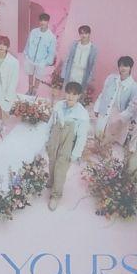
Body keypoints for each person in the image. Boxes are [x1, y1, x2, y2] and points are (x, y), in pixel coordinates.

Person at [44, 81, 90, 210]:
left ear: (79, 96)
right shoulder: (59, 105)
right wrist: (47, 139)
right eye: (68, 93)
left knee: (61, 168)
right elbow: (50, 123)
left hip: (67, 144)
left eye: (74, 94)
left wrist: (75, 153)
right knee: (52, 162)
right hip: (55, 139)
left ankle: (56, 195)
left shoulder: (82, 114)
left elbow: (81, 137)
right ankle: (51, 180)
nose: (70, 97)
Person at [92, 56, 137, 142]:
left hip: (118, 117)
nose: (122, 68)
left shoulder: (135, 87)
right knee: (97, 137)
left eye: (125, 66)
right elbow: (103, 94)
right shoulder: (111, 78)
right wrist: (97, 108)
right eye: (120, 65)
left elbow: (131, 108)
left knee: (108, 142)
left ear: (130, 67)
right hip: (104, 112)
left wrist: (119, 118)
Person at [22, 12, 57, 93]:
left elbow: (51, 52)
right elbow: (28, 43)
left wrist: (46, 62)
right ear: (39, 21)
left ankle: (35, 90)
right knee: (30, 73)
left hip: (41, 61)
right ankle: (30, 88)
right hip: (30, 58)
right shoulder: (33, 32)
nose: (42, 22)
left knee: (38, 76)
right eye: (41, 20)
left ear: (48, 22)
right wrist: (26, 53)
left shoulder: (51, 37)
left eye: (45, 20)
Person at [60, 24, 97, 93]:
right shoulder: (74, 44)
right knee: (67, 92)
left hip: (82, 75)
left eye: (86, 33)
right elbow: (67, 59)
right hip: (71, 72)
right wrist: (63, 74)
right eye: (81, 33)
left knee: (78, 94)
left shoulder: (93, 49)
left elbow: (93, 65)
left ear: (89, 34)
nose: (83, 35)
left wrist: (89, 79)